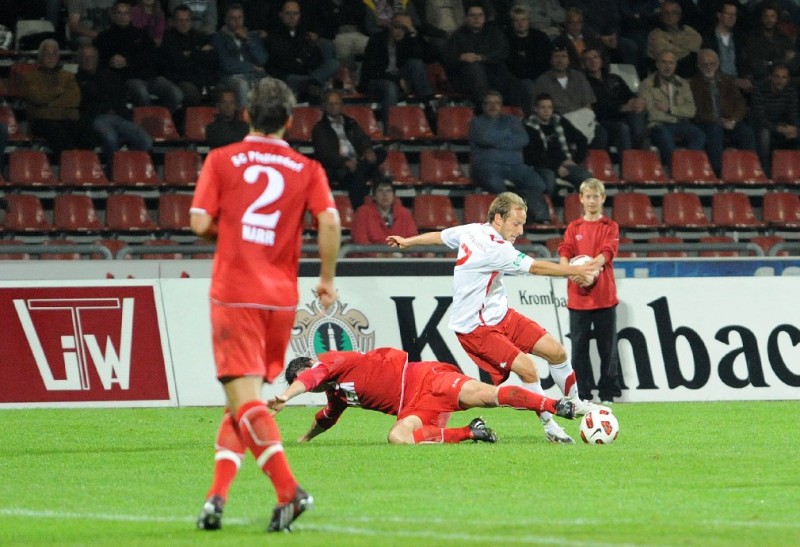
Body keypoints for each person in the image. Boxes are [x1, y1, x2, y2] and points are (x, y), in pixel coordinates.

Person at [190, 77, 341, 533]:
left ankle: (290, 491)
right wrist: (327, 279)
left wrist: (231, 234)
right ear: (290, 121)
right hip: (279, 298)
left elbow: (198, 222)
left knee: (244, 401)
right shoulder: (307, 167)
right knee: (242, 403)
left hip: (236, 292)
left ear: (246, 115)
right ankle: (216, 498)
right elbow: (330, 222)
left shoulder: (222, 159)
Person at [387, 192, 606, 444]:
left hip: (501, 315)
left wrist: (408, 242)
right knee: (528, 369)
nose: (520, 230)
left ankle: (575, 402)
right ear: (499, 218)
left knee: (556, 352)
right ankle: (551, 426)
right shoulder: (496, 249)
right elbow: (535, 267)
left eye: (523, 224)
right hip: (475, 327)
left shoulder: (471, 230)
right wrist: (573, 270)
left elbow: (440, 237)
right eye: (516, 223)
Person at [268, 347, 578, 445]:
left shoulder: (332, 360)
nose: (314, 384)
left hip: (425, 378)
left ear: (311, 364)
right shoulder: (335, 394)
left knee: (488, 394)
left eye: (306, 378)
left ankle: (554, 405)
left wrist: (284, 395)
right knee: (397, 437)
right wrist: (304, 440)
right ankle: (471, 431)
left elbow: (313, 377)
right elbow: (326, 418)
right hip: (413, 408)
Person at [558, 178, 621, 404]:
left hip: (604, 297)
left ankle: (607, 394)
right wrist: (569, 270)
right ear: (581, 199)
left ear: (602, 199)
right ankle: (582, 395)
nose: (592, 200)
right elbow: (564, 249)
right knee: (579, 351)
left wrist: (585, 270)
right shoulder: (573, 227)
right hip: (578, 298)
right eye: (588, 196)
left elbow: (607, 252)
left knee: (608, 349)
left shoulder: (610, 226)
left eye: (596, 196)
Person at [469, 90, 551, 223]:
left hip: (515, 166)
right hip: (488, 167)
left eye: (497, 103)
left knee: (538, 183)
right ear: (483, 106)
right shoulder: (476, 123)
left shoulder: (512, 120)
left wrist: (496, 142)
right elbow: (485, 139)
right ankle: (513, 218)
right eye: (488, 103)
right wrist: (507, 135)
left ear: (501, 105)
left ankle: (535, 217)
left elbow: (523, 140)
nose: (493, 106)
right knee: (495, 184)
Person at [94, 0, 183, 113]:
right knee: (141, 93)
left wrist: (128, 62)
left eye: (126, 13)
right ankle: (148, 122)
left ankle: (160, 119)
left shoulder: (142, 34)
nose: (122, 16)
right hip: (126, 79)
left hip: (150, 77)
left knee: (176, 94)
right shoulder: (103, 38)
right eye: (119, 13)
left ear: (131, 16)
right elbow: (99, 62)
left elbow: (152, 57)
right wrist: (110, 62)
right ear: (112, 15)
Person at [75, 44, 153, 169]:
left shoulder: (110, 76)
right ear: (79, 60)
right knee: (111, 139)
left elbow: (120, 96)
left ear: (97, 58)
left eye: (91, 56)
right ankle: (114, 172)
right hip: (96, 118)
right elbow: (83, 104)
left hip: (118, 116)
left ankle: (126, 167)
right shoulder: (75, 80)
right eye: (85, 57)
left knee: (146, 141)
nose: (88, 59)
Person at [311, 88, 387, 210]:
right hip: (340, 168)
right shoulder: (319, 128)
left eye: (336, 103)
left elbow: (362, 139)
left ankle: (364, 168)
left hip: (358, 161)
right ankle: (361, 211)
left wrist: (367, 150)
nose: (334, 106)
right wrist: (344, 161)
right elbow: (325, 154)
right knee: (361, 173)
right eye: (330, 103)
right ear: (324, 106)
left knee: (380, 152)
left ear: (341, 105)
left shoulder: (350, 122)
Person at [358, 12, 435, 127]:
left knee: (416, 63)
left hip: (397, 77)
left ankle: (427, 104)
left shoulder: (408, 41)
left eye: (404, 28)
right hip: (376, 79)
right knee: (390, 87)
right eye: (397, 27)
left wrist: (413, 32)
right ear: (390, 26)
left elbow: (428, 57)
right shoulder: (377, 39)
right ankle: (390, 129)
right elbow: (373, 69)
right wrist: (397, 79)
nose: (400, 31)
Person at [689, 49, 755, 176]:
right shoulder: (693, 84)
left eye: (712, 63)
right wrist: (717, 120)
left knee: (747, 132)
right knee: (714, 130)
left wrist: (734, 120)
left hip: (729, 121)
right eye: (704, 64)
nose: (708, 67)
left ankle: (749, 170)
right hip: (706, 122)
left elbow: (740, 103)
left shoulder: (727, 81)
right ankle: (718, 171)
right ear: (698, 66)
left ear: (718, 64)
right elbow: (695, 110)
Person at [639, 49, 705, 168]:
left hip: (679, 124)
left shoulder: (682, 83)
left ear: (675, 65)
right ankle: (677, 168)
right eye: (664, 62)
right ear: (657, 64)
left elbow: (691, 111)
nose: (667, 66)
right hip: (657, 125)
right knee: (663, 133)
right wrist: (679, 112)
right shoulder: (647, 84)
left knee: (699, 135)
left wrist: (670, 109)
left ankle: (687, 164)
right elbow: (653, 113)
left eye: (671, 63)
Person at [443, 1, 516, 109]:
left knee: (516, 81)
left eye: (480, 15)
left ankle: (511, 114)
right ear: (466, 18)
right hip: (466, 77)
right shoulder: (457, 35)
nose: (476, 18)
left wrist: (481, 57)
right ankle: (485, 109)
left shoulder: (494, 32)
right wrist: (461, 57)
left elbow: (502, 51)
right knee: (475, 67)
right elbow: (447, 57)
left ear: (484, 18)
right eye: (473, 15)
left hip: (492, 71)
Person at [266, 1, 341, 104]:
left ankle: (311, 83)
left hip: (307, 74)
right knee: (306, 82)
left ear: (299, 15)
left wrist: (302, 61)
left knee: (333, 63)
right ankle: (312, 84)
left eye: (295, 13)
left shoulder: (304, 33)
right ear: (281, 15)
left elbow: (316, 58)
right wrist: (303, 61)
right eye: (288, 13)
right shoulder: (274, 35)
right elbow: (283, 62)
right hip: (288, 76)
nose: (292, 17)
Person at [524, 93, 592, 194]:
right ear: (535, 109)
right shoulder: (528, 126)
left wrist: (575, 160)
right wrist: (556, 167)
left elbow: (582, 140)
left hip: (563, 162)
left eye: (549, 107)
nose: (547, 111)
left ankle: (580, 208)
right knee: (549, 181)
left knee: (585, 178)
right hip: (542, 165)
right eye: (543, 107)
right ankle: (551, 208)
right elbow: (534, 155)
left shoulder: (560, 121)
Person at [582, 46, 647, 153]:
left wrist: (638, 102)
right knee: (622, 128)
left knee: (639, 112)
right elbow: (597, 108)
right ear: (583, 64)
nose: (592, 61)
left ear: (601, 59)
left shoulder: (614, 78)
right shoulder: (583, 83)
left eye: (595, 57)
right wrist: (621, 108)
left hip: (624, 115)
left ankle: (639, 153)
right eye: (588, 59)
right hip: (603, 120)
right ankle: (629, 162)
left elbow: (629, 95)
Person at [22, 39, 81, 156]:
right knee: (59, 134)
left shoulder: (68, 76)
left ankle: (84, 167)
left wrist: (49, 104)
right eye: (47, 53)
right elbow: (38, 98)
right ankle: (70, 165)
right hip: (41, 120)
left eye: (54, 54)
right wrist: (58, 91)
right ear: (40, 56)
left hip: (63, 117)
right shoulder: (30, 77)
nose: (51, 57)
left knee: (85, 132)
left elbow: (74, 99)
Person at [531, 40, 598, 143]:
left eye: (563, 56)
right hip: (559, 123)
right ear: (550, 60)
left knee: (601, 133)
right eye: (556, 57)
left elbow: (588, 105)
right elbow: (541, 111)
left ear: (569, 60)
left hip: (582, 120)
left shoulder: (579, 77)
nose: (560, 60)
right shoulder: (542, 81)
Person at [160, 3, 218, 107]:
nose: (184, 23)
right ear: (173, 22)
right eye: (180, 20)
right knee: (191, 92)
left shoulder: (198, 36)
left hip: (201, 77)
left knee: (221, 92)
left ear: (191, 22)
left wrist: (191, 54)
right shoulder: (168, 38)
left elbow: (213, 58)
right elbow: (179, 63)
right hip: (178, 79)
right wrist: (199, 53)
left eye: (187, 20)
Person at [213, 2, 267, 107]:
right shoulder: (219, 37)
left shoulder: (252, 36)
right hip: (230, 77)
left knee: (270, 83)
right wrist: (252, 67)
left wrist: (247, 40)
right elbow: (227, 65)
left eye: (239, 17)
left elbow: (262, 59)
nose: (237, 21)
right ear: (226, 20)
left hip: (254, 75)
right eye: (233, 18)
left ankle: (266, 120)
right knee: (242, 85)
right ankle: (244, 119)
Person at [750, 62, 799, 176]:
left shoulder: (791, 90)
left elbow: (793, 114)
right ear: (770, 77)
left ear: (788, 79)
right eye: (777, 76)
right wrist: (778, 129)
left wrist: (794, 129)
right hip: (762, 124)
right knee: (764, 133)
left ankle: (795, 173)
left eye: (784, 77)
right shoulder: (759, 89)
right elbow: (759, 118)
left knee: (797, 131)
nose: (780, 80)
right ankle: (766, 174)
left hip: (781, 124)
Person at [351, 179, 418, 253]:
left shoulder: (404, 213)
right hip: (372, 260)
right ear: (374, 196)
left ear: (394, 196)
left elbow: (412, 239)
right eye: (380, 191)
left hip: (401, 258)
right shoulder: (362, 213)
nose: (385, 194)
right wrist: (379, 255)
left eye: (388, 191)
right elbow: (360, 241)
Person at [701, 1, 752, 93]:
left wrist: (746, 78)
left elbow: (746, 63)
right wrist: (733, 82)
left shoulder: (740, 38)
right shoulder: (708, 38)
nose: (732, 17)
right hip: (716, 86)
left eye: (734, 14)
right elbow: (707, 67)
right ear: (719, 15)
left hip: (739, 88)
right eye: (728, 14)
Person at [646, 0, 702, 78]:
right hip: (664, 76)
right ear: (661, 16)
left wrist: (673, 42)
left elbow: (697, 43)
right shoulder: (655, 34)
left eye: (674, 12)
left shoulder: (687, 29)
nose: (670, 15)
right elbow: (667, 53)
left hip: (690, 73)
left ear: (679, 15)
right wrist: (688, 50)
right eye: (666, 12)